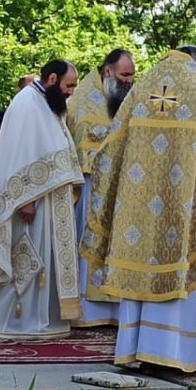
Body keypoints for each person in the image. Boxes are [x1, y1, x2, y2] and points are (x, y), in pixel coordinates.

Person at [80, 46, 196, 372]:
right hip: (183, 209)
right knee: (179, 270)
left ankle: (135, 350)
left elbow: (107, 151)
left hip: (138, 213)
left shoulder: (143, 87)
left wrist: (121, 194)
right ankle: (171, 353)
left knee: (140, 270)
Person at [0, 60, 85, 340]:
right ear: (53, 78)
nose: (71, 92)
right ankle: (15, 321)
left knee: (43, 259)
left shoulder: (48, 103)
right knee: (27, 258)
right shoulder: (27, 103)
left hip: (48, 199)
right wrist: (25, 200)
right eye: (69, 85)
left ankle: (41, 318)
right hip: (31, 202)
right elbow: (18, 156)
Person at [65, 50, 135, 328]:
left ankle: (115, 310)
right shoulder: (84, 100)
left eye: (131, 75)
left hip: (119, 188)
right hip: (91, 187)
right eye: (124, 75)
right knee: (89, 244)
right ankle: (87, 311)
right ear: (108, 72)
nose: (130, 81)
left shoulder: (122, 98)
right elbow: (85, 145)